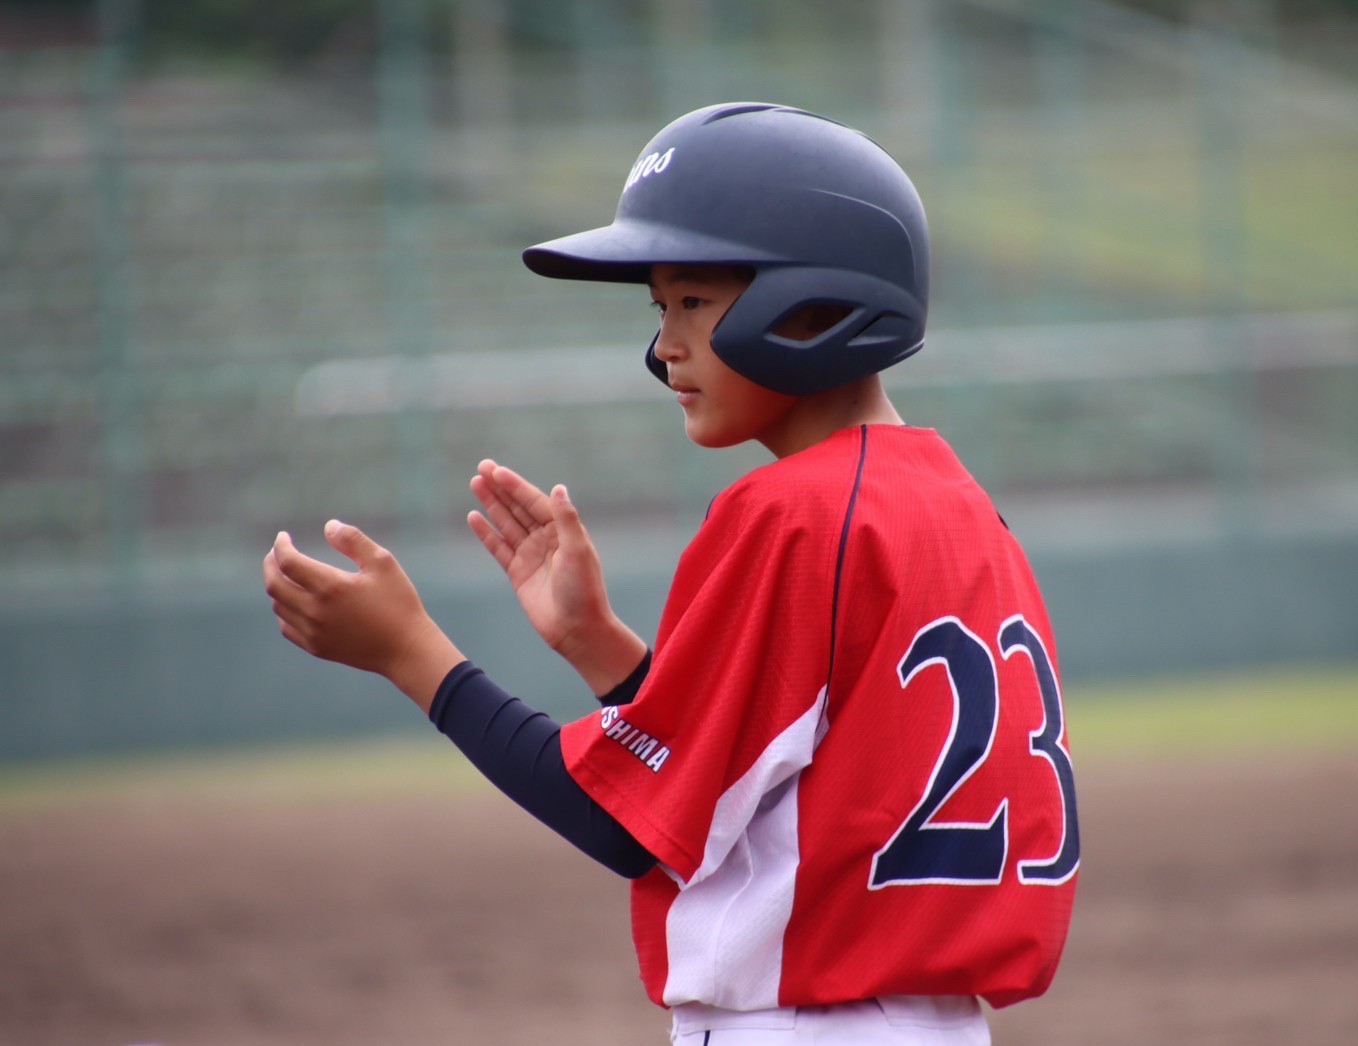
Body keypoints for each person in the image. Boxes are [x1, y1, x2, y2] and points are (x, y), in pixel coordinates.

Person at [263, 102, 1078, 1045]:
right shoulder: (961, 505)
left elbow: (624, 824)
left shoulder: (794, 512)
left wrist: (411, 654)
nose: (664, 347)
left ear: (813, 302)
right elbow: (777, 774)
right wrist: (600, 648)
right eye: (661, 309)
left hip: (801, 1024)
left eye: (693, 300)